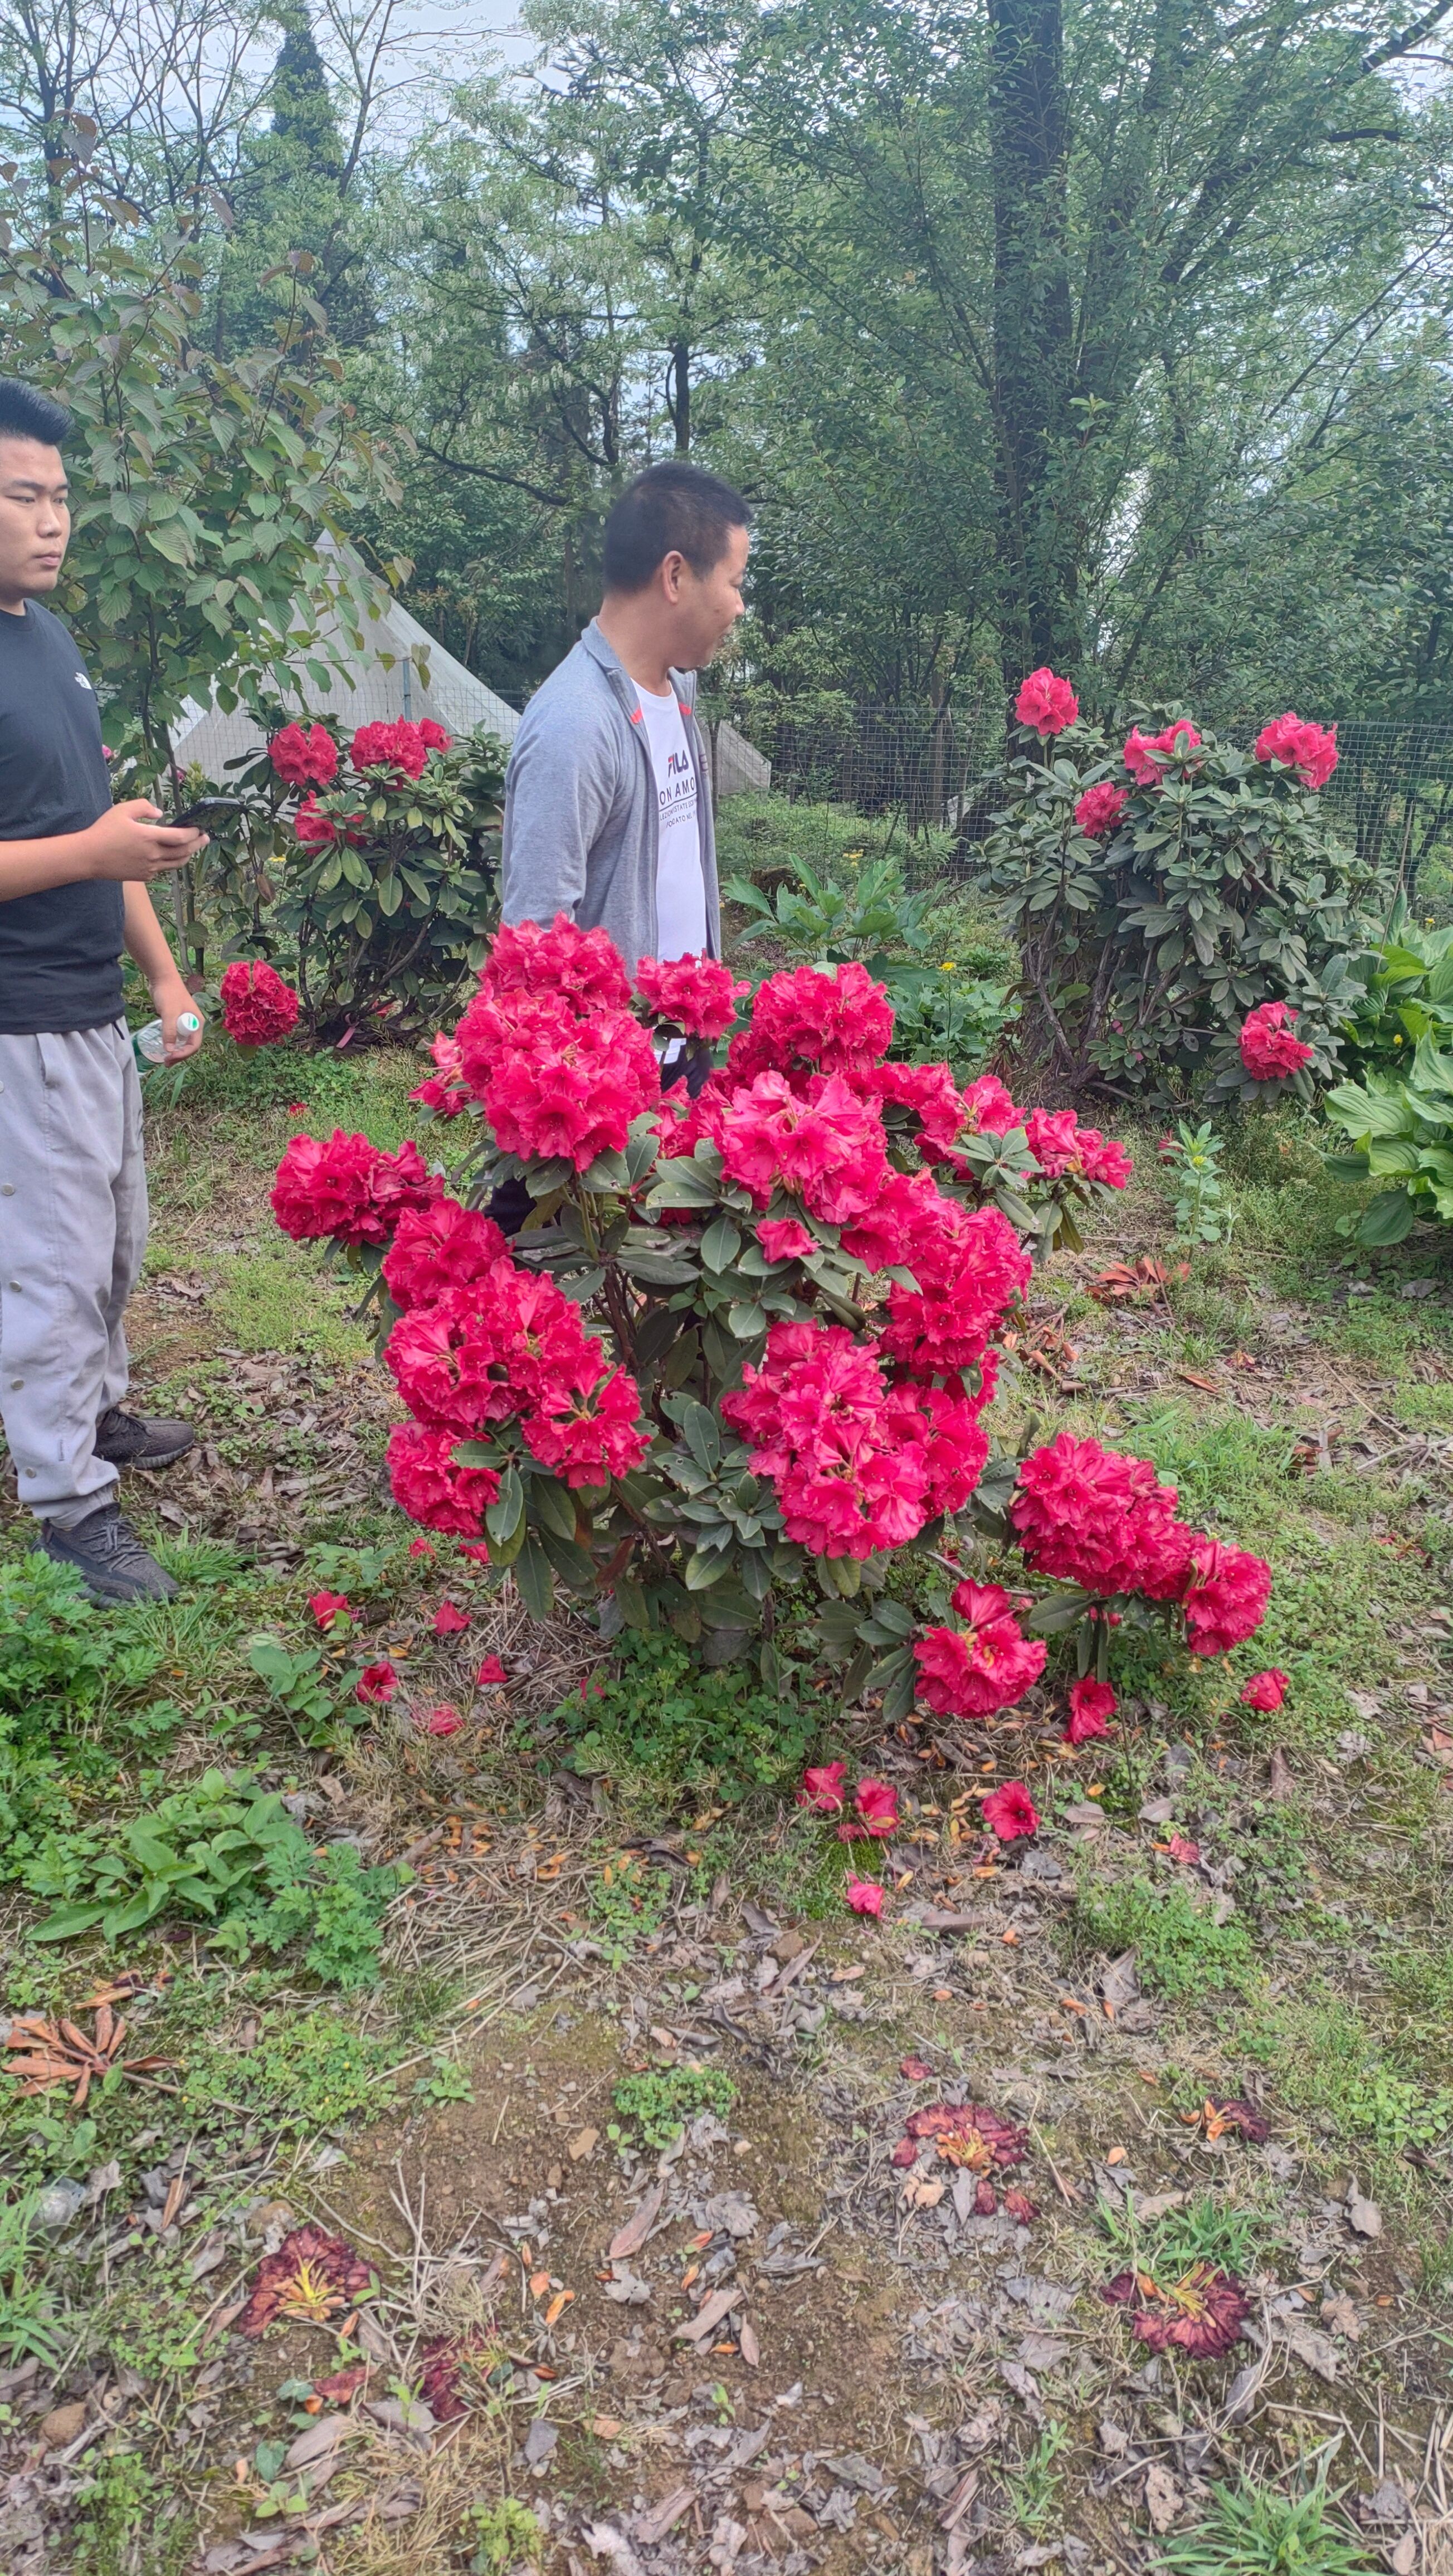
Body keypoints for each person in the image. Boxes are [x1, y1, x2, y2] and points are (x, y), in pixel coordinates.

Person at [0, 378, 211, 1604]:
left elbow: (96, 829)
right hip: (17, 1024)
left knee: (113, 1246)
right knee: (50, 1266)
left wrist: (168, 972)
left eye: (61, 496)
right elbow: (84, 846)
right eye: (24, 495)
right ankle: (68, 1504)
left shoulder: (51, 639)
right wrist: (94, 853)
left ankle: (96, 1412)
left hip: (93, 1018)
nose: (53, 520)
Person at [500, 460, 750, 984]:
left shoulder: (678, 691)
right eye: (735, 582)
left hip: (683, 1036)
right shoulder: (575, 726)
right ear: (676, 575)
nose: (739, 606)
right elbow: (535, 938)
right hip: (621, 1060)